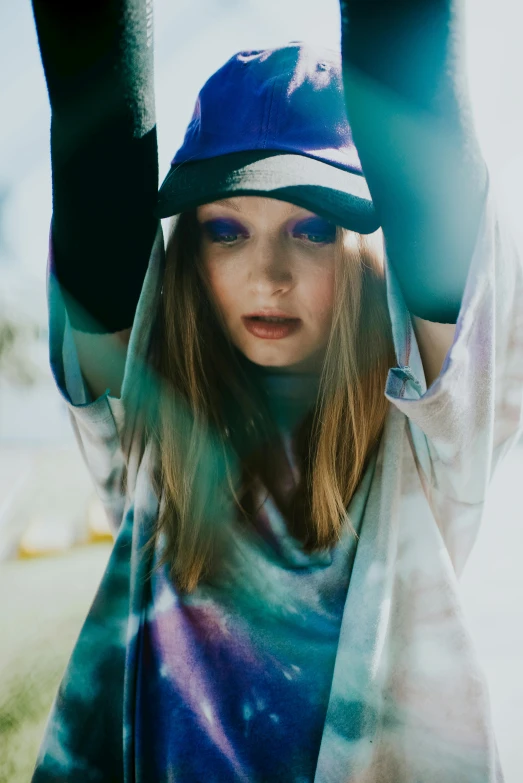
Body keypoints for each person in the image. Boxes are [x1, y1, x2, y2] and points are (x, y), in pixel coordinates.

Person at [31, 1, 522, 781]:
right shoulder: (150, 421)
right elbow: (96, 130)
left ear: (365, 247)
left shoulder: (427, 435)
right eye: (227, 231)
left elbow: (411, 76)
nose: (268, 275)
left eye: (311, 229)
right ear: (188, 255)